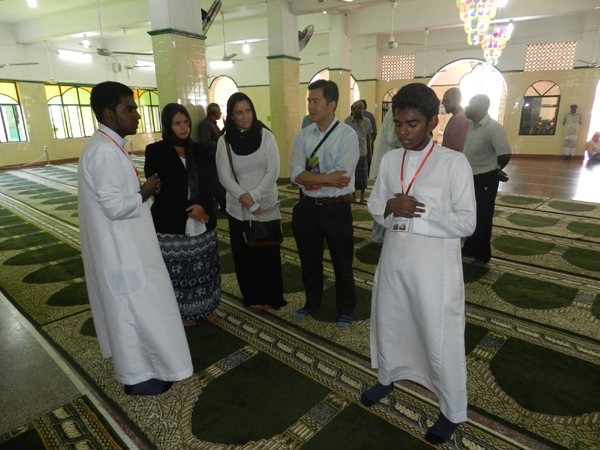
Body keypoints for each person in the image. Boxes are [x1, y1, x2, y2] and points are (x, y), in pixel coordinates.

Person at [363, 83, 476, 445]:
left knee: (439, 337)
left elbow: (466, 222)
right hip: (395, 262)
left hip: (434, 272)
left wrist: (417, 221)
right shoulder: (391, 160)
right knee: (391, 322)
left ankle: (452, 410)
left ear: (432, 122)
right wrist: (389, 208)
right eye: (397, 124)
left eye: (411, 124)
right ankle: (387, 378)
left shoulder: (454, 163)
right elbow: (374, 204)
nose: (403, 132)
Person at [78, 81, 192, 396]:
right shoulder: (103, 152)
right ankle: (137, 376)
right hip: (122, 253)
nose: (137, 115)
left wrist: (141, 192)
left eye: (136, 108)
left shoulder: (108, 146)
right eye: (129, 109)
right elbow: (115, 207)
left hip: (124, 248)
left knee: (135, 312)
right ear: (108, 114)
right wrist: (144, 191)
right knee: (132, 313)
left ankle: (145, 370)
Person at [290, 79, 360, 327]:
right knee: (309, 260)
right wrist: (325, 177)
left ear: (331, 104)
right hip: (308, 208)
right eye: (309, 100)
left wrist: (314, 179)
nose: (310, 106)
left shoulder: (347, 136)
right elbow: (296, 175)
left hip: (336, 208)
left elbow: (342, 179)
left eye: (315, 101)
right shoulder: (303, 136)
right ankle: (312, 301)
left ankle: (346, 308)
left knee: (342, 262)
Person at [144, 103, 220, 327]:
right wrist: (190, 209)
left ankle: (206, 306)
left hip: (203, 217)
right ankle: (183, 311)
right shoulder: (156, 151)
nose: (183, 128)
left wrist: (202, 206)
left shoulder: (199, 150)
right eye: (177, 123)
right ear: (168, 125)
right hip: (172, 221)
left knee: (205, 266)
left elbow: (210, 182)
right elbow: (159, 189)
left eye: (186, 123)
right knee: (179, 271)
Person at [216, 92, 286, 311]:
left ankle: (271, 296)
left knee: (268, 252)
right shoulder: (224, 141)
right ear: (231, 116)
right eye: (239, 112)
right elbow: (224, 176)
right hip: (238, 209)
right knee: (245, 255)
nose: (245, 116)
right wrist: (247, 201)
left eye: (248, 111)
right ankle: (253, 296)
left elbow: (273, 171)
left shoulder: (266, 136)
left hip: (266, 204)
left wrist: (254, 196)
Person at [462, 94, 512, 266]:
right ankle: (470, 247)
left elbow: (505, 154)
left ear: (479, 107)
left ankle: (482, 256)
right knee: (471, 213)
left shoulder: (493, 128)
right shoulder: (472, 125)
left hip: (485, 179)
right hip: (471, 177)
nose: (466, 107)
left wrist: (494, 170)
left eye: (469, 104)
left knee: (483, 216)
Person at [369, 107, 403, 244]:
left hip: (391, 164)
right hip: (388, 164)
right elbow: (392, 138)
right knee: (384, 201)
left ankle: (381, 235)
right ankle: (377, 236)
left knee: (388, 200)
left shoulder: (394, 112)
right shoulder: (393, 113)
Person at [199, 102, 227, 210]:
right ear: (215, 112)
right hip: (210, 158)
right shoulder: (206, 124)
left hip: (215, 157)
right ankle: (222, 204)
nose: (220, 114)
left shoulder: (213, 123)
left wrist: (225, 128)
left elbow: (218, 136)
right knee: (216, 182)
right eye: (219, 111)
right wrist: (219, 145)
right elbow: (206, 142)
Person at [345, 100, 372, 203]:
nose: (361, 110)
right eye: (359, 108)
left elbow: (368, 137)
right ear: (353, 110)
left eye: (362, 108)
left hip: (363, 152)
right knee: (353, 174)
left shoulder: (367, 121)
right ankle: (353, 195)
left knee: (363, 175)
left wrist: (370, 152)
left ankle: (362, 196)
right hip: (351, 153)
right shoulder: (348, 121)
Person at [441, 87, 470, 152]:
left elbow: (452, 148)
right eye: (443, 102)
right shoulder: (457, 116)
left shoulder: (460, 118)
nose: (444, 104)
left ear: (458, 100)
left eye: (447, 101)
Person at [361, 99, 378, 174]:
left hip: (358, 144)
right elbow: (374, 130)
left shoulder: (352, 115)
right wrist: (372, 140)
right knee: (368, 159)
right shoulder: (370, 115)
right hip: (369, 141)